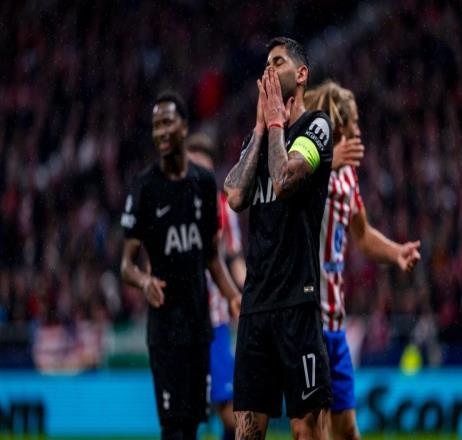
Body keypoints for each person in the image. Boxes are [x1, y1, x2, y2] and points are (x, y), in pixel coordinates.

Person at [224, 37, 334, 440]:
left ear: (301, 74)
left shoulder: (316, 127)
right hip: (255, 306)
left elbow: (286, 180)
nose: (269, 70)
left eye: (278, 62)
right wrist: (260, 127)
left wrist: (274, 125)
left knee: (307, 430)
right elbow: (235, 196)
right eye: (266, 64)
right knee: (247, 432)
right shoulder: (256, 139)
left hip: (297, 302)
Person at [120, 91, 241, 440]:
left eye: (167, 122)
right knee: (173, 428)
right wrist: (144, 282)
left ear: (184, 127)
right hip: (164, 328)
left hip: (200, 324)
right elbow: (126, 265)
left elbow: (212, 257)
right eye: (155, 125)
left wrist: (234, 296)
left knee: (191, 424)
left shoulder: (204, 185)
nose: (160, 131)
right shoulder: (144, 188)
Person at [304, 80, 421, 440]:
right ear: (338, 124)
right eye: (353, 121)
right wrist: (326, 161)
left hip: (335, 322)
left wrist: (396, 252)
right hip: (307, 317)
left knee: (348, 431)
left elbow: (363, 234)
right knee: (314, 429)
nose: (358, 129)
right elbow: (286, 199)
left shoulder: (348, 176)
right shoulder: (306, 166)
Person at [186, 133, 246, 440]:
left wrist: (247, 292)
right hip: (180, 322)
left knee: (228, 407)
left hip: (215, 320)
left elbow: (234, 257)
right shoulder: (171, 205)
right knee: (184, 411)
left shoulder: (223, 208)